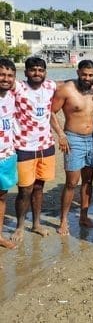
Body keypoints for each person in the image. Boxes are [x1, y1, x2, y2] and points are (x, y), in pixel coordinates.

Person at [50, 59, 93, 235]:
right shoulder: (66, 89)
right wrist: (61, 135)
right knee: (72, 182)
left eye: (91, 75)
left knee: (88, 181)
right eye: (84, 74)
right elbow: (51, 112)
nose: (87, 78)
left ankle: (84, 216)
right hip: (73, 139)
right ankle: (63, 220)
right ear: (78, 72)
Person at [13, 56, 57, 239]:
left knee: (39, 188)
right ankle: (20, 226)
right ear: (26, 72)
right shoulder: (18, 87)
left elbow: (74, 82)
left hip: (45, 146)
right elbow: (4, 79)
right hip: (23, 146)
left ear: (45, 72)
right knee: (25, 189)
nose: (37, 73)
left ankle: (36, 224)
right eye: (33, 70)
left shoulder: (50, 86)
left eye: (40, 70)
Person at [0, 59, 16, 247]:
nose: (5, 79)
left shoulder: (12, 96)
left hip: (6, 155)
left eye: (9, 75)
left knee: (2, 196)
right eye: (2, 74)